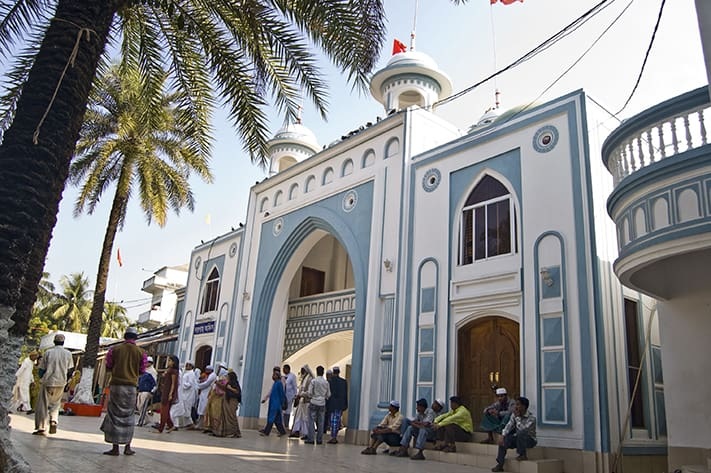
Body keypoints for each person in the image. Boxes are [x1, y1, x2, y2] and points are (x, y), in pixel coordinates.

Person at [100, 327, 147, 455]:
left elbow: (108, 365)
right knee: (129, 416)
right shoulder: (141, 352)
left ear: (125, 337)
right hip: (131, 387)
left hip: (116, 386)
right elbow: (142, 370)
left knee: (114, 415)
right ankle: (127, 447)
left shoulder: (114, 350)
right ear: (135, 338)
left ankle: (115, 448)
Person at [33, 334, 74, 436]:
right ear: (63, 342)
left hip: (48, 381)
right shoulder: (68, 354)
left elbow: (42, 369)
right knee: (56, 404)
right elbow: (70, 369)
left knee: (43, 404)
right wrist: (67, 381)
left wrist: (40, 378)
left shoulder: (48, 352)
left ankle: (41, 428)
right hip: (61, 382)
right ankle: (54, 421)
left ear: (54, 342)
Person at [491, 397, 537, 472]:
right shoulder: (514, 415)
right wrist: (502, 435)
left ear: (524, 406)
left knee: (521, 433)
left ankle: (522, 454)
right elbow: (508, 426)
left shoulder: (532, 418)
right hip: (518, 439)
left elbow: (524, 430)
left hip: (530, 440)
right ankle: (500, 464)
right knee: (504, 440)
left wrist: (517, 418)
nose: (516, 407)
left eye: (518, 405)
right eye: (516, 404)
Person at [304, 365, 330, 445]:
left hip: (313, 402)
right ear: (323, 372)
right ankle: (319, 439)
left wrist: (304, 394)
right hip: (322, 403)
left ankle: (311, 439)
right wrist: (323, 397)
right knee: (321, 422)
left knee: (311, 421)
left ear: (317, 372)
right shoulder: (326, 382)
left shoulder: (314, 381)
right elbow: (328, 394)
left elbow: (310, 393)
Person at [211, 371, 242, 437]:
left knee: (231, 416)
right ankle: (225, 432)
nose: (227, 377)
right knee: (225, 416)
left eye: (228, 376)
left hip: (232, 401)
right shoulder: (229, 383)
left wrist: (230, 388)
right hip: (227, 400)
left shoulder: (235, 383)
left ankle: (234, 432)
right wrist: (218, 384)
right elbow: (225, 388)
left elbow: (237, 391)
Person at [154, 355, 179, 433]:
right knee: (166, 411)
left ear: (173, 362)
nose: (168, 362)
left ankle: (160, 428)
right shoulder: (169, 370)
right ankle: (171, 426)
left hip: (168, 392)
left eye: (170, 361)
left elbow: (173, 384)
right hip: (165, 391)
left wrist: (171, 394)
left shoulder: (173, 371)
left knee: (164, 411)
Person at [260, 369, 287, 436]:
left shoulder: (279, 383)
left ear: (277, 376)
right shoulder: (275, 383)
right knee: (277, 420)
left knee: (271, 418)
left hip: (276, 404)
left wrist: (282, 402)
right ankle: (282, 432)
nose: (273, 376)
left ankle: (267, 432)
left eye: (274, 375)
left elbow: (281, 394)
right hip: (273, 403)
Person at [290, 365, 314, 439]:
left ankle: (306, 433)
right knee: (298, 417)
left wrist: (301, 395)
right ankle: (296, 431)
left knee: (305, 418)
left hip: (306, 401)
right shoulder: (303, 379)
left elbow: (309, 392)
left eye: (303, 370)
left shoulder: (310, 379)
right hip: (301, 401)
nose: (302, 372)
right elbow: (301, 389)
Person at [205, 362, 229, 434]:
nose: (218, 370)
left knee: (217, 413)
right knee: (211, 412)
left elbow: (224, 388)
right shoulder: (218, 377)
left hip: (219, 398)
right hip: (214, 397)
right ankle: (211, 427)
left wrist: (217, 383)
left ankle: (217, 429)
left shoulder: (224, 378)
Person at [173, 361, 198, 429]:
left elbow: (189, 384)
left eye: (188, 365)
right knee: (183, 409)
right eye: (186, 365)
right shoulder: (186, 373)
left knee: (187, 410)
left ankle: (191, 424)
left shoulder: (191, 374)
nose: (187, 366)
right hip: (183, 394)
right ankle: (183, 424)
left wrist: (182, 384)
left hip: (188, 395)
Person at [327, 366, 347, 443]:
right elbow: (345, 394)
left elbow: (328, 394)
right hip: (340, 404)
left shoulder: (330, 382)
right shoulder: (343, 382)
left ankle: (333, 437)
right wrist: (345, 404)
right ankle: (334, 436)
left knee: (333, 421)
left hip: (332, 404)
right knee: (337, 420)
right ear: (339, 372)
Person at [193, 365, 216, 430]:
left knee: (204, 409)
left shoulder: (212, 375)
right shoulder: (206, 375)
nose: (206, 371)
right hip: (203, 393)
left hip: (207, 393)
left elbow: (207, 383)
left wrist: (197, 386)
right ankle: (200, 424)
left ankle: (204, 425)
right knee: (201, 409)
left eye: (207, 369)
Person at [282, 364, 298, 430]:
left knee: (287, 411)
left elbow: (294, 386)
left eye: (284, 369)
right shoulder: (283, 377)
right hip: (283, 396)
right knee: (283, 411)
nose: (283, 370)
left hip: (289, 396)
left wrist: (295, 395)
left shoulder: (292, 376)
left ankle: (286, 425)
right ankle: (282, 425)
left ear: (288, 369)